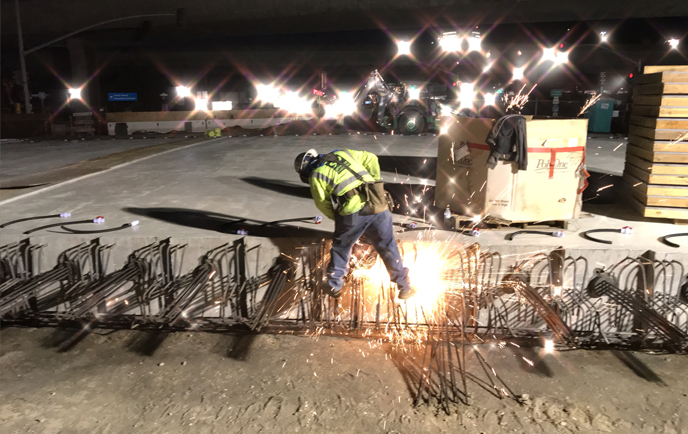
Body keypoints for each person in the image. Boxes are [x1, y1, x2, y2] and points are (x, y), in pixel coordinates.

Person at [294, 148, 417, 300]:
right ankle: (405, 287)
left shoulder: (316, 175)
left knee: (341, 247)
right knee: (387, 246)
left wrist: (340, 221)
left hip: (353, 212)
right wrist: (373, 184)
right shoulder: (341, 153)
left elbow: (323, 204)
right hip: (378, 203)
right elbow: (372, 157)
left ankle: (334, 284)